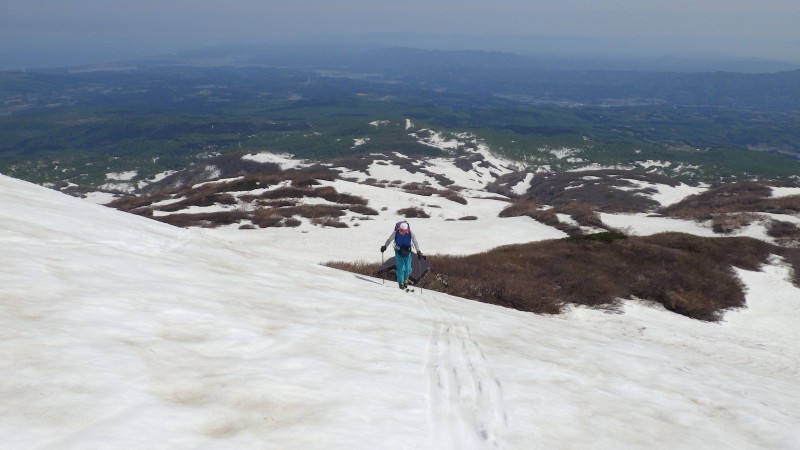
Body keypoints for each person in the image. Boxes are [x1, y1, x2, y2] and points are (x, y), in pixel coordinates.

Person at [380, 221, 424, 289]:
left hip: (408, 252)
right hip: (398, 252)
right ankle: (401, 283)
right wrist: (385, 246)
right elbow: (389, 240)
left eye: (403, 231)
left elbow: (415, 241)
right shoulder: (396, 232)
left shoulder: (410, 233)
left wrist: (418, 251)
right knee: (400, 268)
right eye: (401, 231)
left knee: (408, 269)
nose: (402, 232)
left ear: (406, 230)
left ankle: (405, 280)